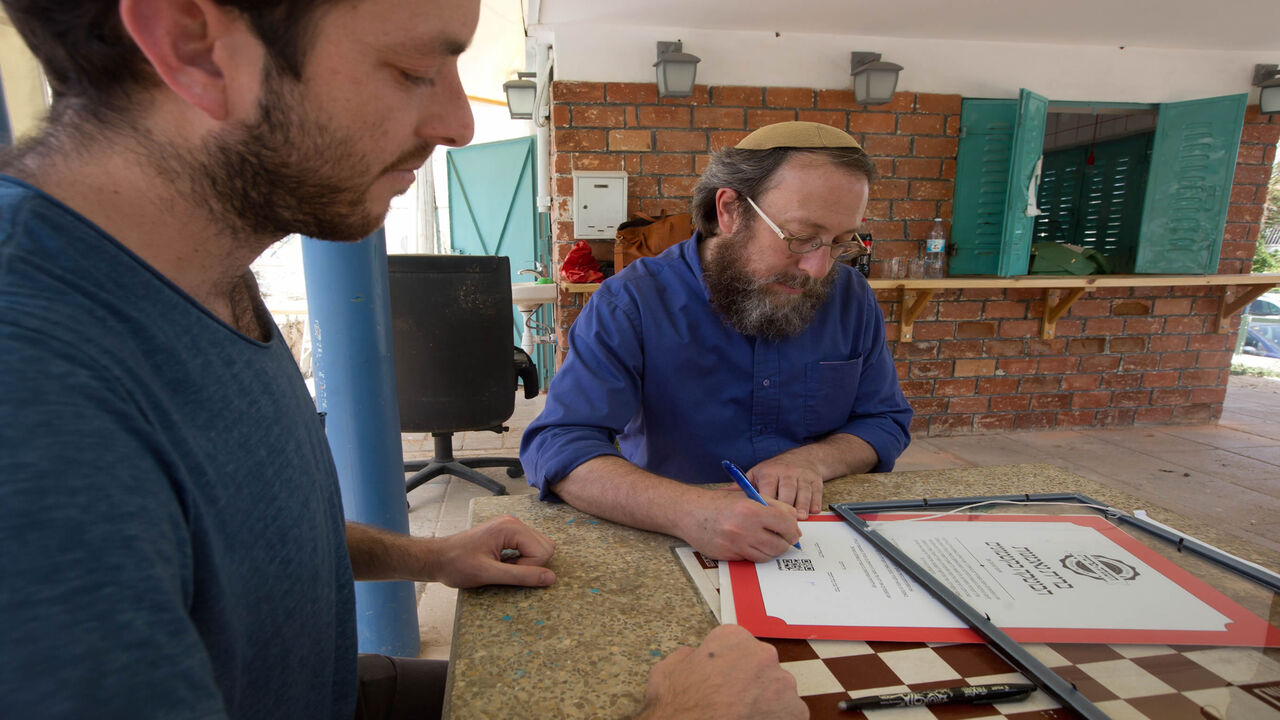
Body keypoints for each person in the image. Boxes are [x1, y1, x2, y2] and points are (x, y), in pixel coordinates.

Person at [0, 2, 805, 719]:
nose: (458, 122)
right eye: (416, 68)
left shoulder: (193, 262)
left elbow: (228, 539)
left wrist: (426, 556)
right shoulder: (36, 382)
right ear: (194, 44)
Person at [521, 121, 913, 562]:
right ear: (730, 210)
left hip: (818, 541)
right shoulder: (631, 303)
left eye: (841, 243)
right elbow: (559, 444)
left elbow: (884, 420)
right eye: (801, 238)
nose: (819, 269)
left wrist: (814, 461)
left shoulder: (850, 297)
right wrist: (689, 510)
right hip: (673, 540)